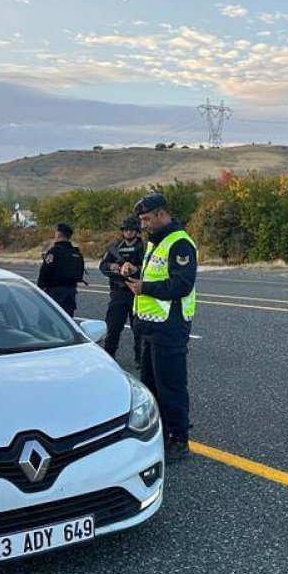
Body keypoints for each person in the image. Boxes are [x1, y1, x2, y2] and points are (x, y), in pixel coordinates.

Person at [127, 192, 197, 461]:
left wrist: (144, 287)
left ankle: (179, 440)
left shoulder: (179, 243)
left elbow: (181, 284)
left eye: (146, 219)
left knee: (171, 386)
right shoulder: (156, 242)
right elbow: (154, 275)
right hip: (150, 328)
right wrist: (133, 273)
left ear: (161, 214)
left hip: (170, 327)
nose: (143, 225)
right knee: (151, 385)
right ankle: (161, 432)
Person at [98, 216, 146, 359]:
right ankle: (109, 356)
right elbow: (103, 266)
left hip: (137, 292)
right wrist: (114, 267)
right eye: (126, 230)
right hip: (119, 291)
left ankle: (140, 358)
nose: (129, 233)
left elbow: (150, 268)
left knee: (139, 329)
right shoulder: (115, 247)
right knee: (113, 326)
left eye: (131, 230)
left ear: (137, 231)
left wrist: (135, 269)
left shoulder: (144, 247)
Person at [37, 222, 85, 317]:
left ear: (58, 233)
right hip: (71, 293)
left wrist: (39, 288)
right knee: (67, 322)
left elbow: (44, 272)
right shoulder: (75, 252)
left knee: (46, 321)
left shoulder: (54, 251)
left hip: (54, 292)